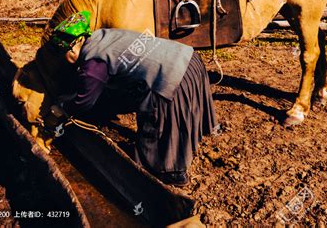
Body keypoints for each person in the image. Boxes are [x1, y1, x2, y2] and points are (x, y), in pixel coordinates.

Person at [49, 11, 217, 186]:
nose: (62, 58)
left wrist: (61, 108)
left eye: (62, 52)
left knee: (156, 122)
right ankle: (188, 137)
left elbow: (84, 101)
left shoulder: (94, 63)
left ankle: (171, 171)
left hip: (173, 76)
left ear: (74, 45)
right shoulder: (103, 37)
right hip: (189, 60)